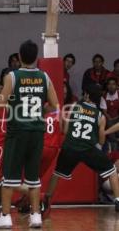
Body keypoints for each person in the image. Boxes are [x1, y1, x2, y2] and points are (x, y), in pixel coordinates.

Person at [0, 40, 59, 228]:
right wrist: (39, 112)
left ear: (19, 57)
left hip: (17, 132)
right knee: (33, 178)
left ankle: (5, 216)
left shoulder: (13, 76)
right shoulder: (45, 76)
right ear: (36, 57)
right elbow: (55, 106)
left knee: (8, 177)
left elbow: (0, 104)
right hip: (36, 132)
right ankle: (36, 216)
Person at [43, 85, 119, 215]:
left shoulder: (73, 107)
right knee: (111, 171)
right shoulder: (100, 116)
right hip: (88, 149)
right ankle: (117, 200)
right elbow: (101, 141)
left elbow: (66, 131)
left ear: (87, 96)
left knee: (57, 174)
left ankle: (46, 202)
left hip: (70, 148)